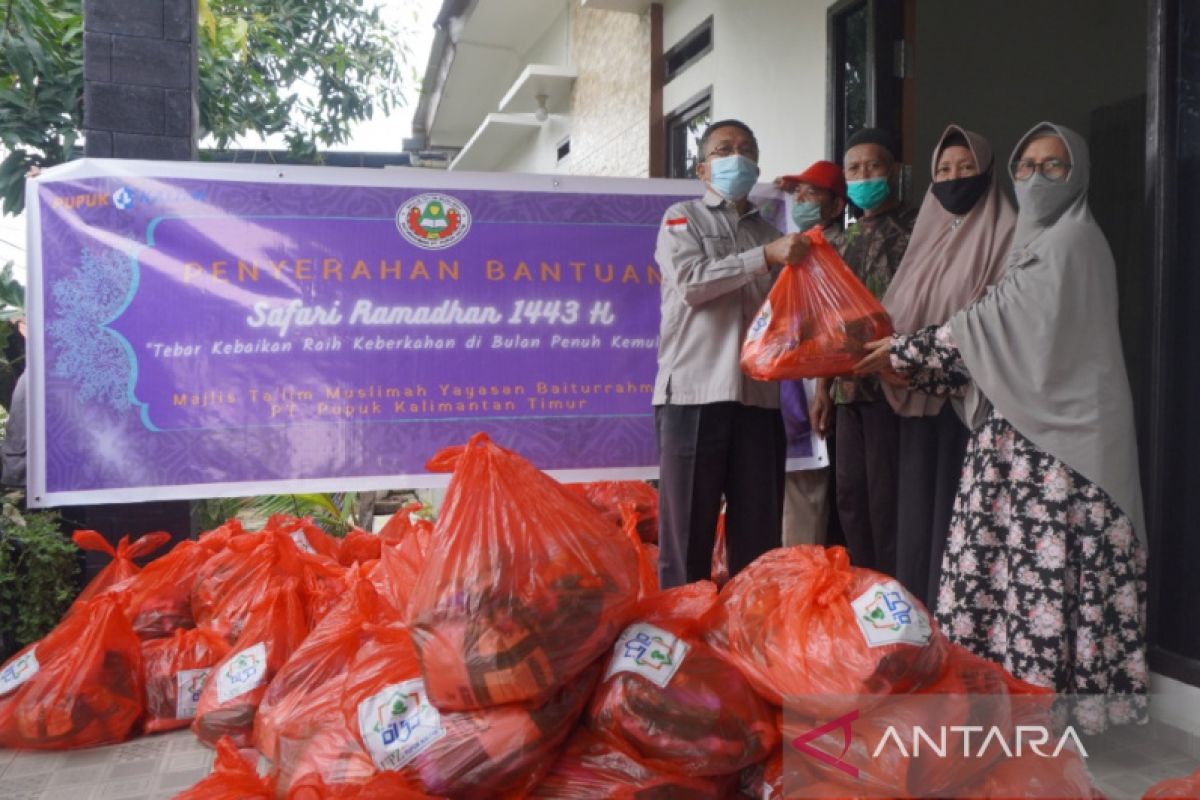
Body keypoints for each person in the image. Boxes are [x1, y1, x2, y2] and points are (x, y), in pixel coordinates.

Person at [856, 122, 1147, 732]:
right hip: (1017, 439)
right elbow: (999, 347)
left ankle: (1049, 715)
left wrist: (903, 353)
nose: (1036, 179)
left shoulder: (1071, 243)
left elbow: (994, 323)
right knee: (1005, 579)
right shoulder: (1031, 245)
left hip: (1063, 448)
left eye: (1054, 167)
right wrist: (910, 361)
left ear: (1080, 175)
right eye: (1027, 166)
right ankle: (1009, 705)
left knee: (1047, 579)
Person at [653, 119, 810, 588]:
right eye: (723, 149)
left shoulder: (770, 230)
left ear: (756, 165)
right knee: (686, 541)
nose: (735, 156)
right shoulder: (681, 218)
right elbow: (692, 283)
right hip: (693, 396)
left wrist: (804, 227)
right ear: (704, 169)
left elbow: (792, 312)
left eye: (745, 149)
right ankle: (680, 642)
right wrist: (765, 257)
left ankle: (749, 638)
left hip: (759, 401)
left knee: (759, 542)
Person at [874, 125, 1016, 608]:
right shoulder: (928, 233)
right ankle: (918, 630)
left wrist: (918, 357)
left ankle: (956, 630)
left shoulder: (1009, 233)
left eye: (966, 168)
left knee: (957, 525)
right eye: (944, 169)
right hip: (914, 401)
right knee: (915, 523)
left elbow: (995, 322)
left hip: (970, 408)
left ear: (988, 172)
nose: (955, 178)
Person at [814, 128, 918, 576]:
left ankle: (900, 597)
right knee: (850, 499)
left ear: (893, 172)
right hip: (846, 390)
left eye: (872, 167)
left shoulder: (919, 231)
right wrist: (823, 388)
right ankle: (865, 594)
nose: (863, 176)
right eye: (853, 169)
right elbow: (828, 319)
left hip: (895, 389)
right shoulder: (842, 241)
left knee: (889, 502)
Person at [774, 161, 847, 546]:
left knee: (809, 494)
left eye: (811, 193)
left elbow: (835, 329)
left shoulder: (838, 251)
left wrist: (823, 390)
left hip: (819, 388)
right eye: (796, 193)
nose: (800, 200)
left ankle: (801, 584)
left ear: (836, 207)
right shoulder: (792, 246)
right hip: (784, 385)